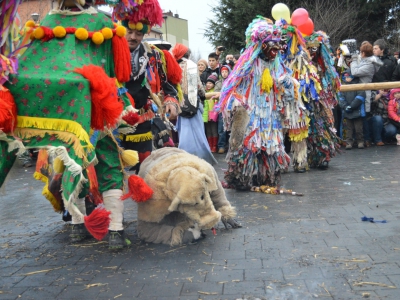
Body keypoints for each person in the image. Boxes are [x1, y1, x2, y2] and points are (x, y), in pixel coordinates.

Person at [217, 17, 293, 190]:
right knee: (250, 144)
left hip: (270, 113)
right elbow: (231, 86)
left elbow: (286, 91)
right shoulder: (248, 63)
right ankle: (241, 177)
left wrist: (287, 85)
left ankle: (267, 175)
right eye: (271, 44)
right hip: (251, 111)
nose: (276, 49)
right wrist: (235, 102)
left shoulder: (276, 64)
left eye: (277, 44)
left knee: (270, 144)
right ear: (261, 44)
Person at [120, 11, 180, 170]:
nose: (133, 37)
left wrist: (170, 100)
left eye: (138, 33)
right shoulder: (109, 50)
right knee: (111, 172)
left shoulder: (153, 54)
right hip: (113, 120)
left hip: (142, 120)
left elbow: (168, 84)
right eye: (129, 32)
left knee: (145, 168)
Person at [171, 43, 217, 165]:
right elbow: (198, 85)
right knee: (198, 132)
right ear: (188, 54)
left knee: (184, 132)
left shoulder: (174, 65)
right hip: (192, 104)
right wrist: (202, 96)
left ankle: (184, 156)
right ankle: (201, 157)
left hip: (180, 104)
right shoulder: (191, 65)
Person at [350, 41, 381, 146]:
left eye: (361, 52)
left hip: (364, 93)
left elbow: (355, 72)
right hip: (359, 92)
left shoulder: (370, 64)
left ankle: (366, 139)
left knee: (363, 117)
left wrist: (354, 60)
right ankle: (361, 139)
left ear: (363, 53)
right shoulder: (366, 61)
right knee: (360, 117)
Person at [339, 72, 366, 149]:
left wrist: (351, 106)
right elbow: (341, 99)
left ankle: (360, 142)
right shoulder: (343, 88)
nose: (346, 79)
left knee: (358, 129)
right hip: (348, 112)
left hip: (357, 111)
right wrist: (345, 107)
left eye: (348, 77)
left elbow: (359, 98)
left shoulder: (358, 86)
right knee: (349, 129)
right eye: (345, 77)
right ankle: (349, 143)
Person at [214, 65, 231, 154]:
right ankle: (221, 146)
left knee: (230, 127)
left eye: (226, 72)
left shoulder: (232, 82)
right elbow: (215, 94)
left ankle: (230, 146)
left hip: (230, 108)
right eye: (223, 72)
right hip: (221, 108)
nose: (224, 74)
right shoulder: (218, 83)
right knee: (221, 128)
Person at [203, 73, 219, 152]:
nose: (208, 85)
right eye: (207, 83)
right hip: (206, 115)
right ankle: (209, 145)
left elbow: (216, 105)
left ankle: (214, 146)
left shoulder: (214, 93)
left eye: (210, 83)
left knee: (214, 130)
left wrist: (214, 115)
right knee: (208, 131)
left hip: (213, 115)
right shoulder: (204, 93)